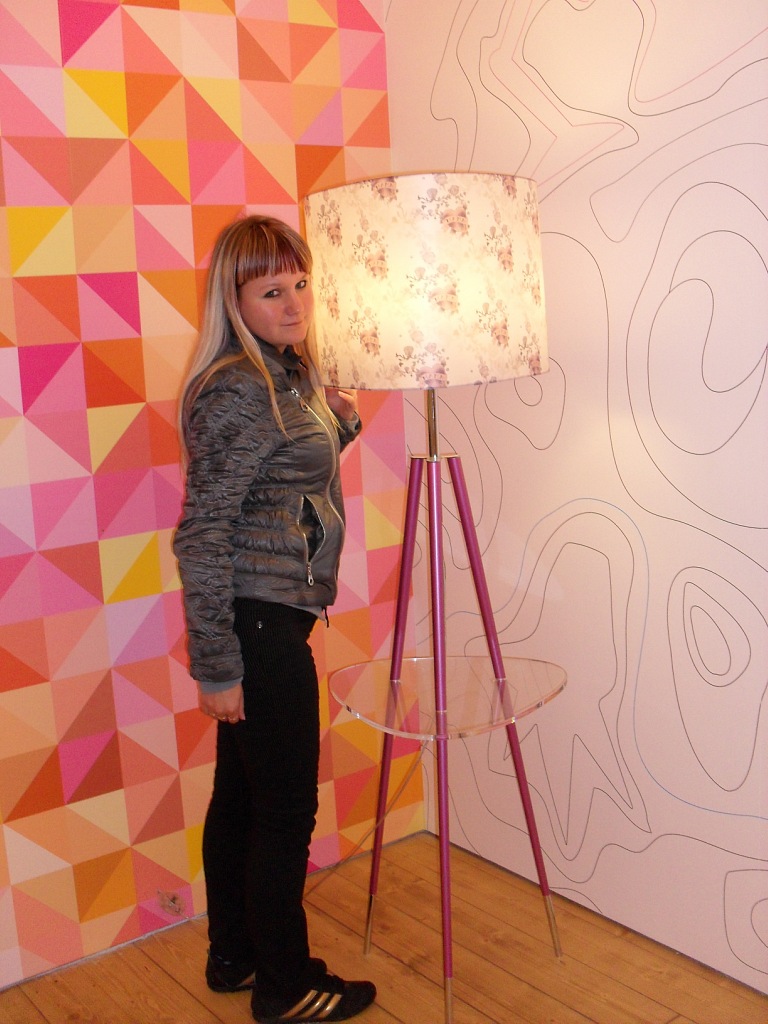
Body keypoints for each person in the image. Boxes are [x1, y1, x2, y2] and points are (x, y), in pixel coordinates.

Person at [173, 215, 376, 1023]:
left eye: (301, 284)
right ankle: (285, 986)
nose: (295, 305)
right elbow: (203, 534)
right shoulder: (239, 390)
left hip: (272, 617)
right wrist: (217, 666)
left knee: (241, 796)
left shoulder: (285, 376)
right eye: (271, 291)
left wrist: (341, 421)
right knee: (285, 813)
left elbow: (284, 484)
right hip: (257, 624)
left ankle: (236, 955)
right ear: (235, 300)